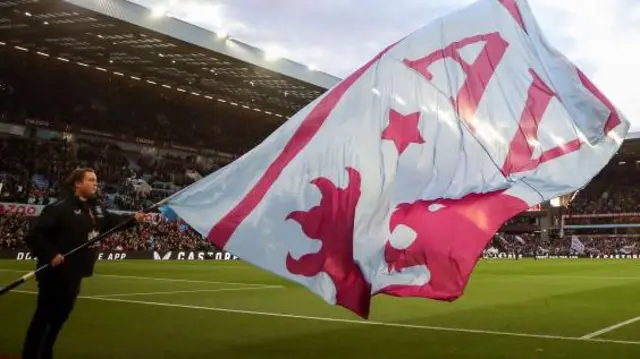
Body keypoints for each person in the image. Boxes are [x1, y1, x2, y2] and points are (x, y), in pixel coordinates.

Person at [21, 168, 145, 359]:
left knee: (59, 319)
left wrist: (133, 219)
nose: (96, 183)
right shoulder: (59, 208)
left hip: (76, 273)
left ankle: (45, 353)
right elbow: (36, 235)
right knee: (44, 318)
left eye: (96, 180)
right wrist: (51, 254)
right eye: (91, 180)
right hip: (55, 275)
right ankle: (30, 355)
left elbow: (113, 221)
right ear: (77, 183)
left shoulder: (97, 208)